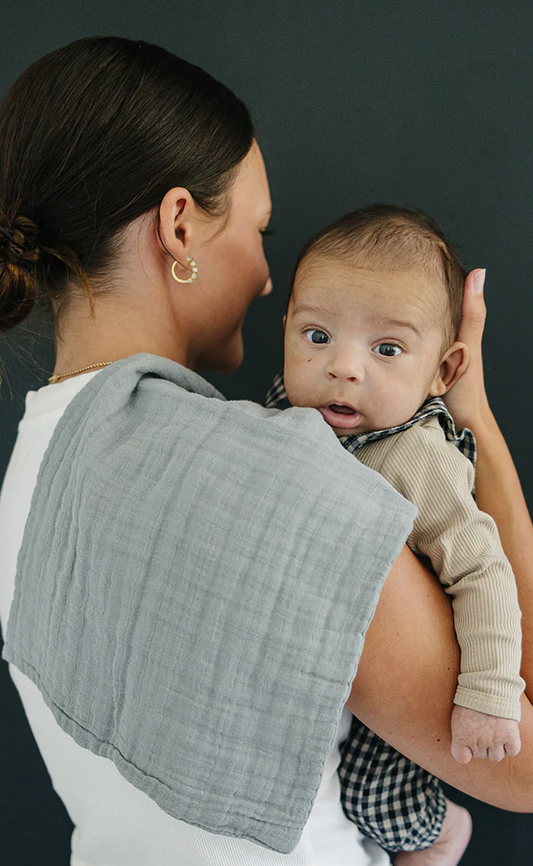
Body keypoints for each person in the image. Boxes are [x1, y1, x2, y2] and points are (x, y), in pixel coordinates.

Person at [0, 36, 533, 866]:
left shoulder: (31, 466)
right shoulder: (288, 477)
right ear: (179, 225)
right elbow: (524, 768)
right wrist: (477, 427)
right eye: (257, 229)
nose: (261, 277)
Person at [265, 203, 525, 864]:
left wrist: (488, 697)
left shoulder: (417, 457)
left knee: (381, 799)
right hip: (321, 660)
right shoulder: (280, 414)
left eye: (386, 349)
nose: (344, 368)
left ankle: (438, 835)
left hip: (418, 661)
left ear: (443, 371)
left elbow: (482, 572)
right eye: (316, 336)